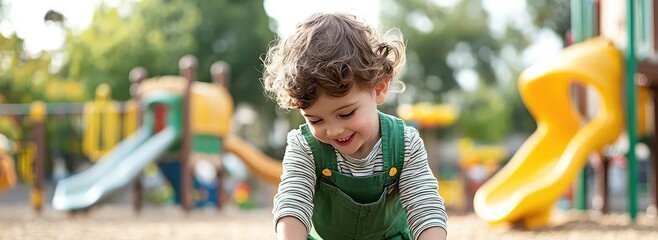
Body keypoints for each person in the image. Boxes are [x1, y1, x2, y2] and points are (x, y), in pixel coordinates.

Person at [262, 12, 447, 240]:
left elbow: (425, 208)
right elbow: (292, 205)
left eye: (346, 113)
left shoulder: (406, 144)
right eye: (315, 120)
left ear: (379, 89)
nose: (334, 130)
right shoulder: (305, 147)